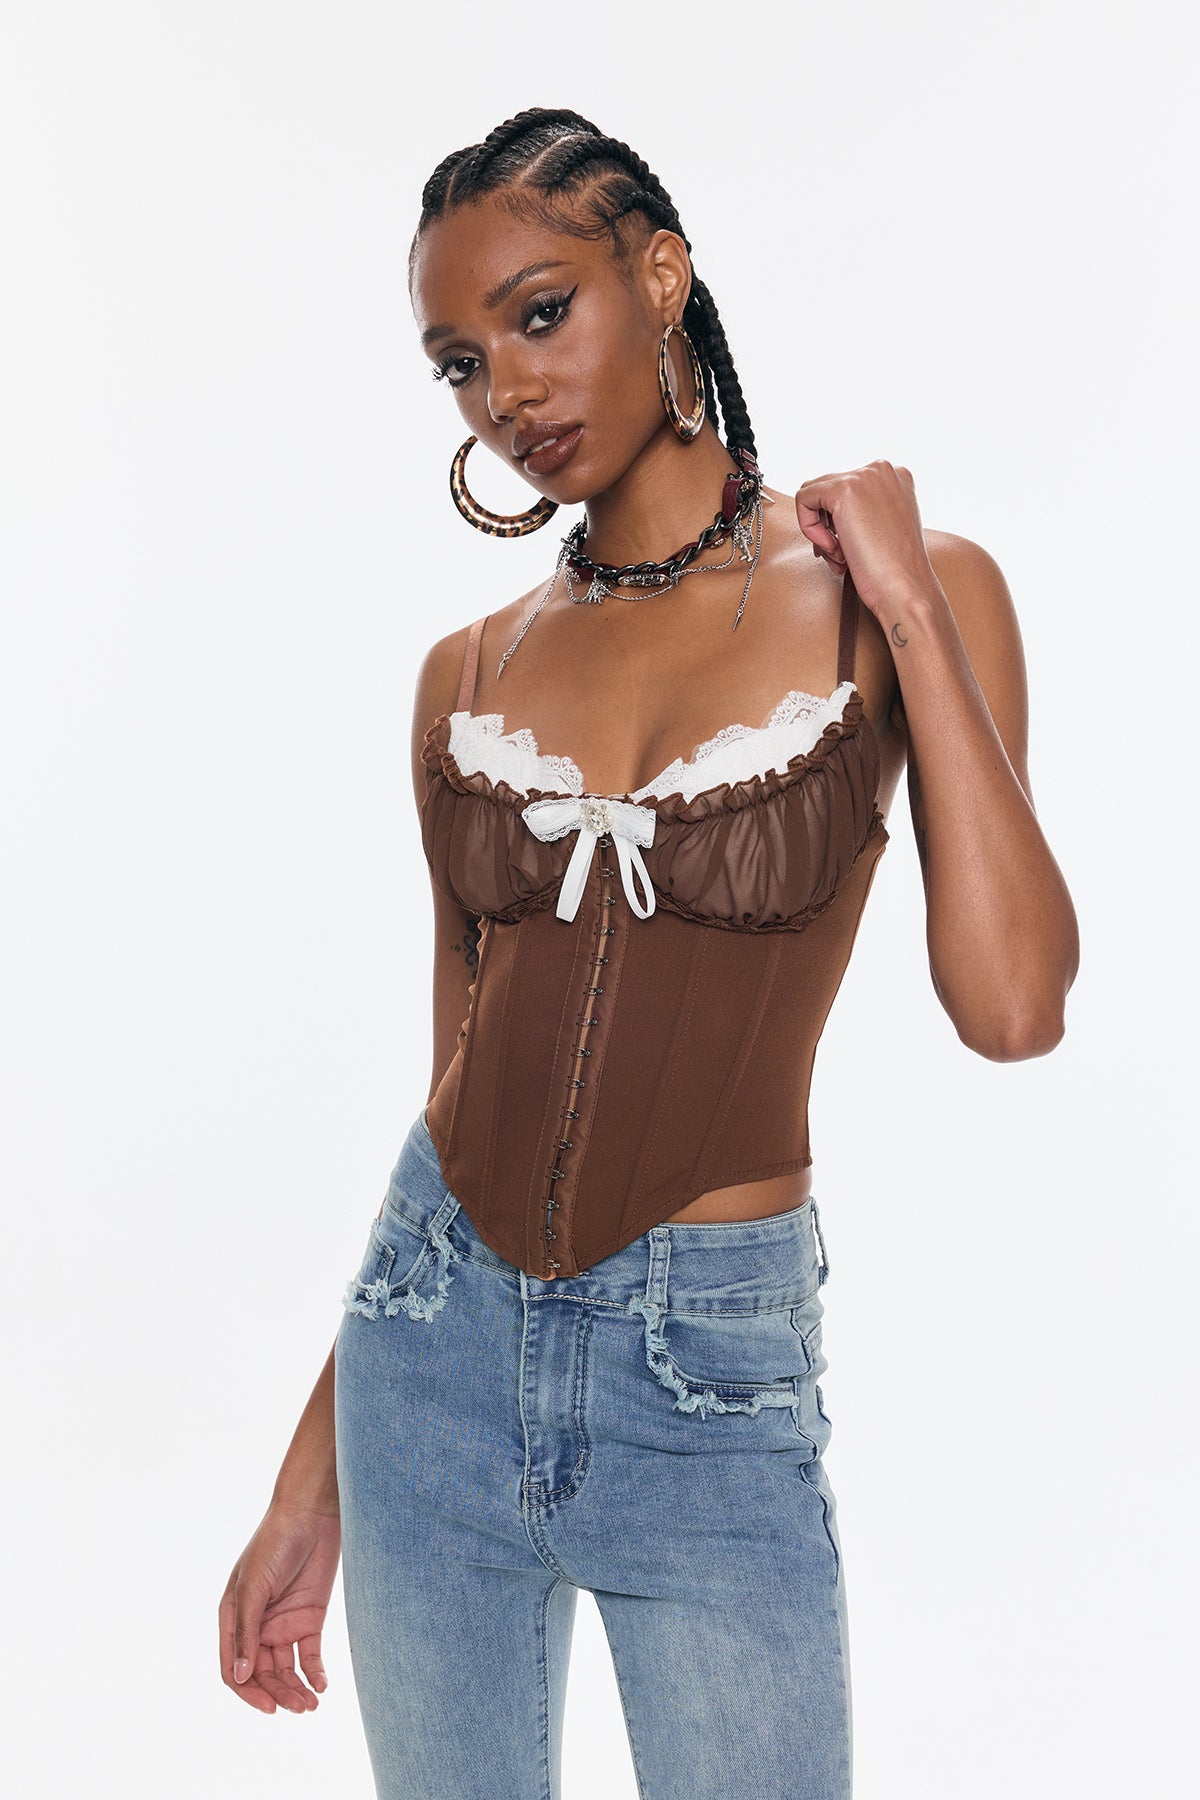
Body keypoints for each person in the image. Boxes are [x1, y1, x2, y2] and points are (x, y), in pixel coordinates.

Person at [219, 108, 1079, 1798]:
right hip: (427, 1347)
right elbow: (459, 1072)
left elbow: (1014, 1006)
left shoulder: (902, 593)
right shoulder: (468, 673)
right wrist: (312, 1478)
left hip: (708, 1378)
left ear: (662, 274)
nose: (507, 392)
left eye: (541, 315)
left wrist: (910, 607)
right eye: (461, 365)